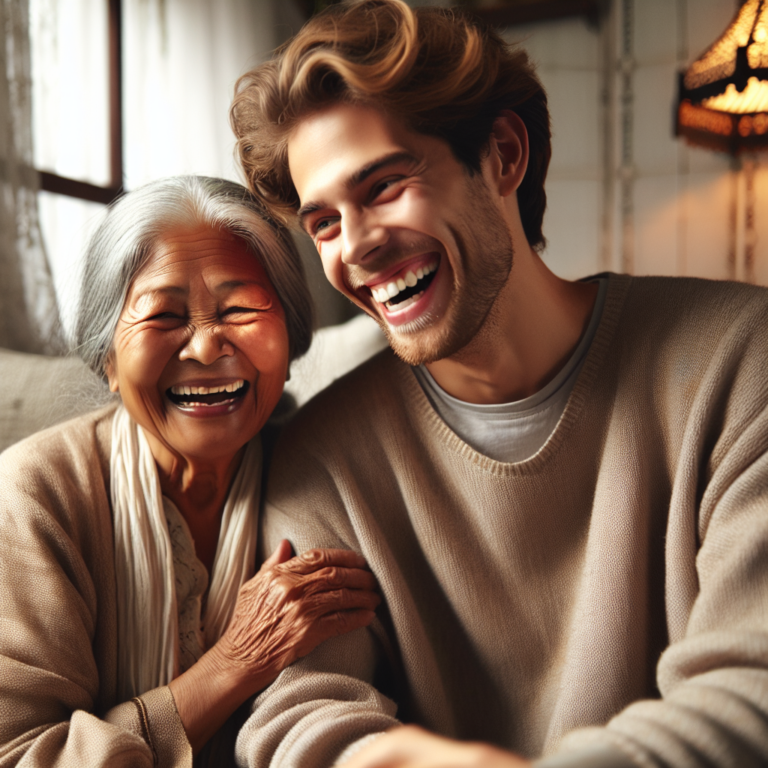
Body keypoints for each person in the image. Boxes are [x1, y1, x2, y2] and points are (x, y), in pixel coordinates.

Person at [230, 1, 768, 767]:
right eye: (323, 223)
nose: (356, 250)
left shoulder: (743, 360)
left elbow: (751, 691)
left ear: (504, 155)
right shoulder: (322, 457)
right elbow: (301, 715)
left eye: (384, 185)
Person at [0, 176, 382, 767]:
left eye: (240, 309)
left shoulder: (326, 479)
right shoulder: (34, 496)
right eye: (163, 316)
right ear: (106, 358)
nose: (206, 348)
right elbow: (22, 754)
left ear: (291, 338)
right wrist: (234, 662)